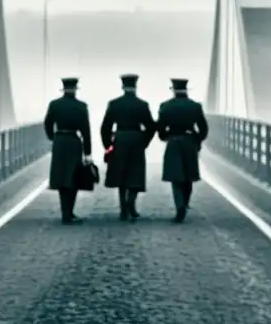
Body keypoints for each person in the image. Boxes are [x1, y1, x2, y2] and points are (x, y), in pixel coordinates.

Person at [100, 73, 157, 221]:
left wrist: (108, 145)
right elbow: (151, 126)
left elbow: (105, 127)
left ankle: (123, 209)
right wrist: (144, 142)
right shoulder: (142, 105)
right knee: (135, 173)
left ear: (123, 86)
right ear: (135, 86)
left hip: (119, 139)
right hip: (136, 139)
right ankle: (131, 201)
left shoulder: (114, 104)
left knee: (121, 174)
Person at [156, 78, 209, 222]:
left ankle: (179, 205)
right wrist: (197, 139)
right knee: (189, 175)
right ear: (186, 90)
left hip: (173, 141)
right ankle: (185, 203)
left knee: (176, 177)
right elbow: (203, 128)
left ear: (173, 90)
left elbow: (160, 128)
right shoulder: (195, 106)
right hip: (189, 141)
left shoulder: (166, 106)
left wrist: (166, 137)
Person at [43, 77, 93, 224]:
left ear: (63, 89)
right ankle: (70, 212)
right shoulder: (81, 106)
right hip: (74, 141)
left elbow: (47, 123)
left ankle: (65, 212)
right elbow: (86, 131)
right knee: (74, 178)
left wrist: (53, 137)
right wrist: (88, 152)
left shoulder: (54, 105)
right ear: (75, 89)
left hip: (59, 142)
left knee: (61, 178)